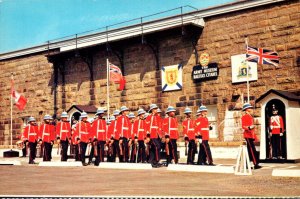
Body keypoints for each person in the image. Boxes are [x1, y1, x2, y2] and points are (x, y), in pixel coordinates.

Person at [241, 103, 261, 169]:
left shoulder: (250, 116)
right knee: (252, 150)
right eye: (250, 108)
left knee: (250, 150)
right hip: (248, 135)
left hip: (251, 135)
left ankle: (247, 163)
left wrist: (255, 136)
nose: (251, 109)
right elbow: (243, 126)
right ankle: (255, 163)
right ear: (247, 109)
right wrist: (249, 127)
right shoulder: (244, 117)